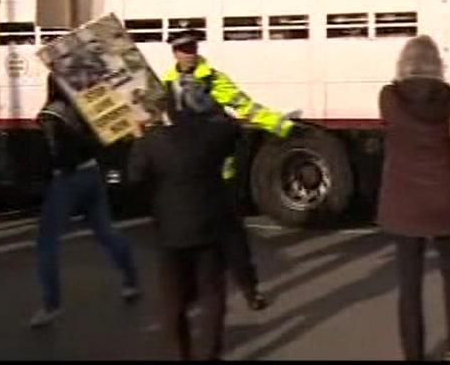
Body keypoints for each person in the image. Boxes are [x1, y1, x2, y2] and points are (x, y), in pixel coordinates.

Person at [161, 29, 298, 311]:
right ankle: (190, 294)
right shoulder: (165, 83)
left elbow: (243, 106)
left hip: (218, 171)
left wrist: (278, 123)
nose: (190, 53)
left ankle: (250, 290)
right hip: (187, 171)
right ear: (174, 52)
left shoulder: (213, 79)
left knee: (232, 237)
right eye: (184, 48)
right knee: (185, 236)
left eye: (193, 47)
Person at [378, 35, 450, 361]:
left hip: (404, 203)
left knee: (409, 286)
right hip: (443, 198)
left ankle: (414, 354)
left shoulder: (389, 98)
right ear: (438, 66)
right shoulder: (449, 99)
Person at [128, 84, 239, 360]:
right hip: (210, 226)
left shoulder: (154, 140)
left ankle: (181, 354)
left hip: (170, 231)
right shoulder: (216, 135)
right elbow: (233, 127)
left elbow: (135, 177)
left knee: (173, 300)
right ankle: (211, 354)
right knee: (212, 295)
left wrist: (138, 138)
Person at [29, 76, 139, 328]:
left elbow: (55, 152)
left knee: (47, 243)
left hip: (67, 179)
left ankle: (51, 305)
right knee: (106, 231)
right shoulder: (87, 105)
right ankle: (131, 281)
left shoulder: (50, 115)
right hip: (92, 173)